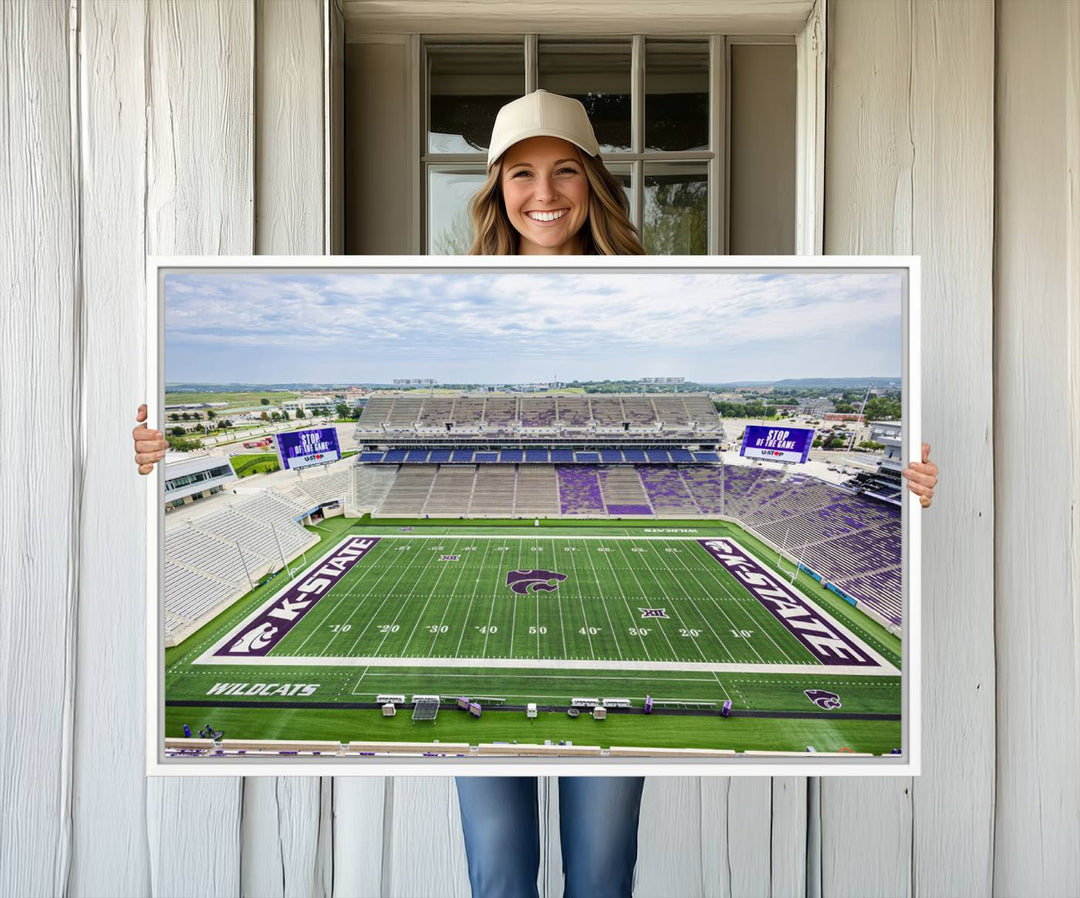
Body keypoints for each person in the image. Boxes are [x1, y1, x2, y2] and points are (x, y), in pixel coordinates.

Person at [131, 89, 939, 898]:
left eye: (563, 172)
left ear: (593, 181)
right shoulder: (454, 297)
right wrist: (160, 453)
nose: (544, 193)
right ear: (495, 189)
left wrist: (901, 479)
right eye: (521, 173)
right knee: (499, 873)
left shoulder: (654, 292)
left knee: (600, 873)